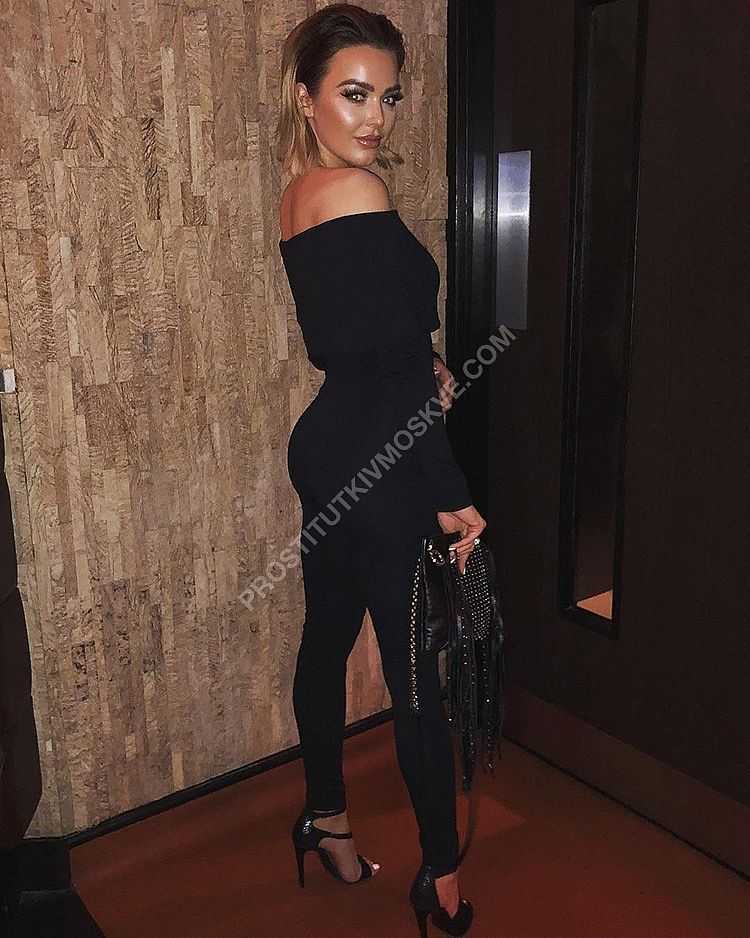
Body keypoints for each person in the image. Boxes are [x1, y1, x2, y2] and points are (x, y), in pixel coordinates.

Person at [276, 6, 485, 935]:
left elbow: (363, 338)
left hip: (330, 445)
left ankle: (325, 818)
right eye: (354, 94)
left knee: (326, 641)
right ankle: (440, 877)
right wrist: (452, 496)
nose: (376, 117)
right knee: (417, 679)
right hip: (380, 458)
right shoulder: (357, 191)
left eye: (389, 97)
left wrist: (423, 363)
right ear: (306, 97)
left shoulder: (301, 192)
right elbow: (392, 362)